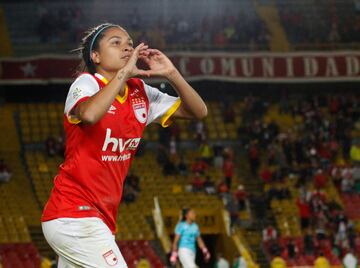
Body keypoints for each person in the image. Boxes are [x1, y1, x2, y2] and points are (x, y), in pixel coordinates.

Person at [41, 23, 207, 268]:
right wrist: (123, 74)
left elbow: (199, 111)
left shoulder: (141, 93)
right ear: (95, 56)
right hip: (73, 214)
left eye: (129, 43)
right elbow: (88, 115)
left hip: (101, 218)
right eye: (115, 42)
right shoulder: (86, 84)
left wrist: (172, 74)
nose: (127, 47)